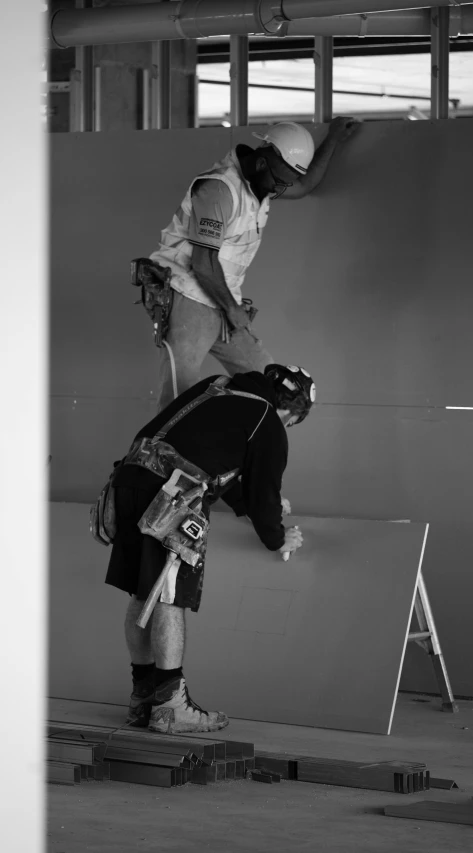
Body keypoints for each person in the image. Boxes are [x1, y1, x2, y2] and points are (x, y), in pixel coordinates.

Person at [104, 363, 316, 734]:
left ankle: (144, 699)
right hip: (169, 498)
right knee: (168, 598)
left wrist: (247, 507)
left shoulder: (217, 388)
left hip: (129, 483)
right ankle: (171, 706)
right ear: (292, 412)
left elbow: (211, 460)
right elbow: (263, 488)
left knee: (143, 596)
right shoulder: (268, 420)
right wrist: (278, 537)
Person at [148, 118, 358, 411]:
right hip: (187, 296)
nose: (283, 188)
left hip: (220, 298)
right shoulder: (219, 188)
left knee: (272, 390)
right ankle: (157, 453)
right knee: (177, 399)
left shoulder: (263, 183)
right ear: (261, 164)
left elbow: (306, 183)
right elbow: (203, 263)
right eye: (280, 181)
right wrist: (233, 311)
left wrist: (334, 138)